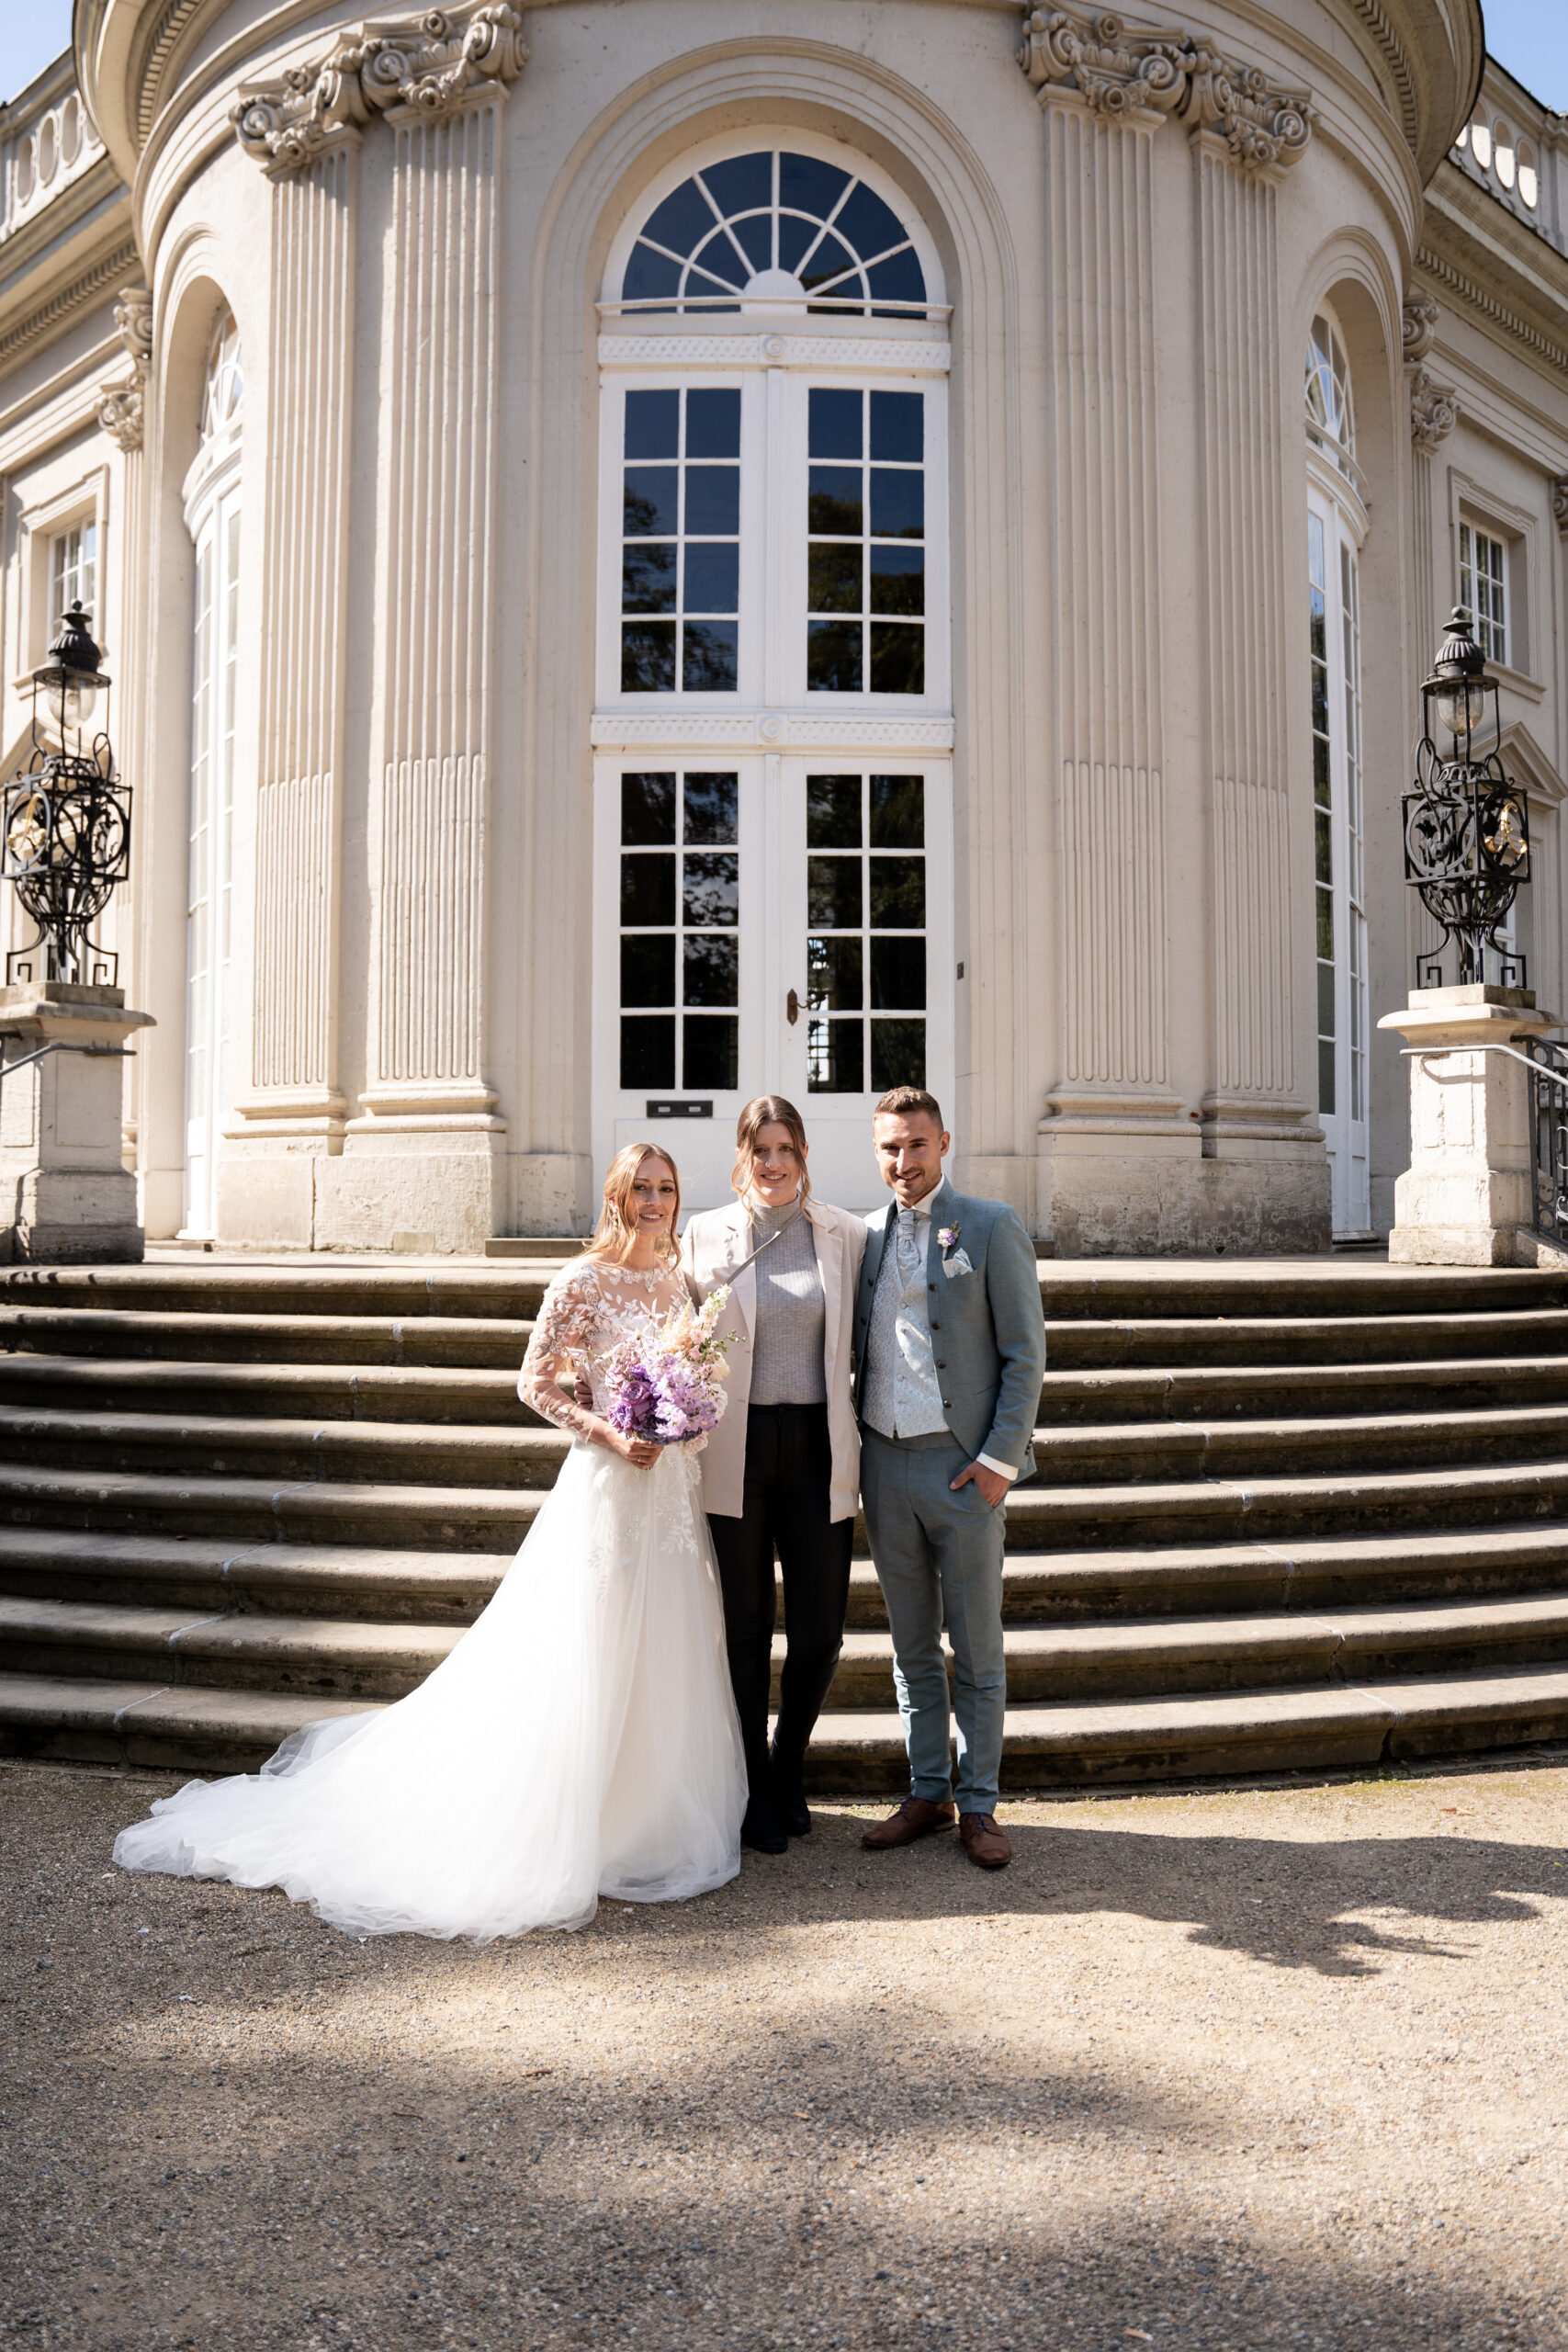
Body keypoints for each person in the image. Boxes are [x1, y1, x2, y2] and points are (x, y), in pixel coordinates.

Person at [113, 1146, 745, 1940]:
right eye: (640, 1189)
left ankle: (648, 1823)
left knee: (666, 1647)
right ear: (616, 1196)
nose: (654, 1202)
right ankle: (564, 1824)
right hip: (609, 1489)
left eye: (666, 1190)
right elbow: (534, 1383)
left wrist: (684, 1420)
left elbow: (694, 1375)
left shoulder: (677, 1282)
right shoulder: (581, 1281)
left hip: (671, 1497)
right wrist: (606, 1434)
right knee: (590, 1648)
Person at [852, 1086, 1046, 1871]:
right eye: (890, 1148)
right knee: (910, 1649)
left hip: (963, 1468)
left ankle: (979, 1804)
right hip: (883, 1463)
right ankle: (925, 1791)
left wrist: (999, 1463)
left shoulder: (991, 1226)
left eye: (916, 1145)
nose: (904, 1162)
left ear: (943, 1144)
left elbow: (1024, 1355)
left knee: (976, 1646)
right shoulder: (859, 1236)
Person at [682, 1097, 867, 1853]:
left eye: (784, 1147)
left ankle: (788, 1768)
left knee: (821, 1632)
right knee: (745, 1628)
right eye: (759, 1149)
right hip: (738, 1448)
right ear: (741, 1155)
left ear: (803, 1153)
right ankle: (758, 1785)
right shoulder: (704, 1233)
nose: (772, 1162)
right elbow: (676, 1336)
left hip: (819, 1446)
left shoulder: (846, 1234)